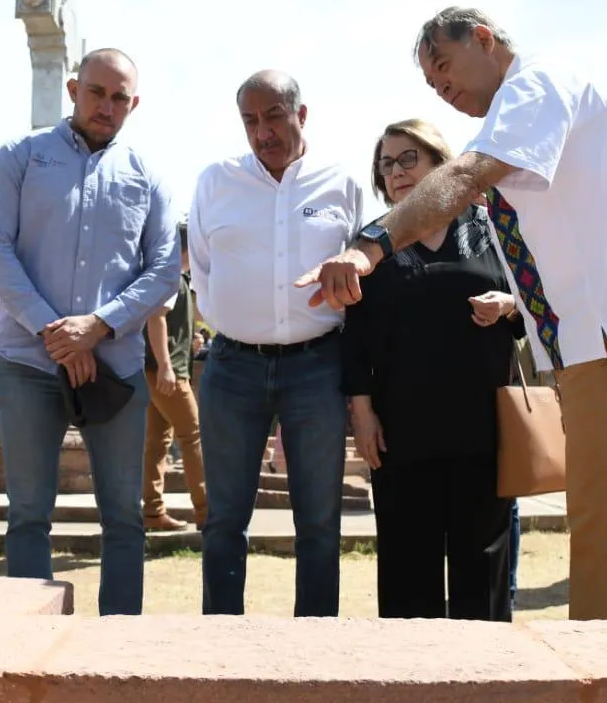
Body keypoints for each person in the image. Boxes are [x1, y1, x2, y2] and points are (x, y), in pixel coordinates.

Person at [297, 7, 607, 621]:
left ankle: (606, 690)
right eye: (432, 85)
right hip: (601, 333)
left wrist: (369, 244)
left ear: (483, 38)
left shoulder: (533, 86)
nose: (444, 89)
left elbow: (466, 174)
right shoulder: (532, 101)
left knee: (604, 518)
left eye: (446, 68)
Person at [0, 48, 180, 616]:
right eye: (96, 92)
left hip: (116, 367)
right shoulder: (20, 157)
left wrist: (99, 326)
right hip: (28, 364)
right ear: (72, 89)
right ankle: (26, 640)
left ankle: (118, 644)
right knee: (29, 514)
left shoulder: (146, 176)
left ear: (133, 103)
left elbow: (164, 270)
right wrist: (54, 332)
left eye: (120, 98)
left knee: (124, 516)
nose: (106, 106)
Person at [190, 69, 364, 617]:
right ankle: (221, 641)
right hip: (232, 367)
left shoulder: (342, 182)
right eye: (249, 120)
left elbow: (364, 270)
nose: (261, 131)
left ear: (301, 115)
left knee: (318, 520)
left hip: (318, 367)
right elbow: (201, 269)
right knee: (223, 519)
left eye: (272, 116)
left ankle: (315, 647)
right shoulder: (216, 181)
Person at [343, 118, 520, 620]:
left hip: (483, 428)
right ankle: (409, 685)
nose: (396, 172)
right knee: (406, 567)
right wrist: (361, 412)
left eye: (408, 158)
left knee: (482, 565)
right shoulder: (372, 243)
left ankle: (488, 681)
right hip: (402, 431)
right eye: (386, 164)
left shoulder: (494, 230)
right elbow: (355, 340)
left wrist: (508, 304)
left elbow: (539, 300)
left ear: (442, 165)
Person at [141, 221, 207, 531]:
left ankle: (153, 512)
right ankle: (208, 511)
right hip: (166, 374)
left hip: (156, 370)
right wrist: (166, 366)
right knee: (194, 437)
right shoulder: (168, 274)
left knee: (157, 441)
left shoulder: (174, 276)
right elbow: (156, 319)